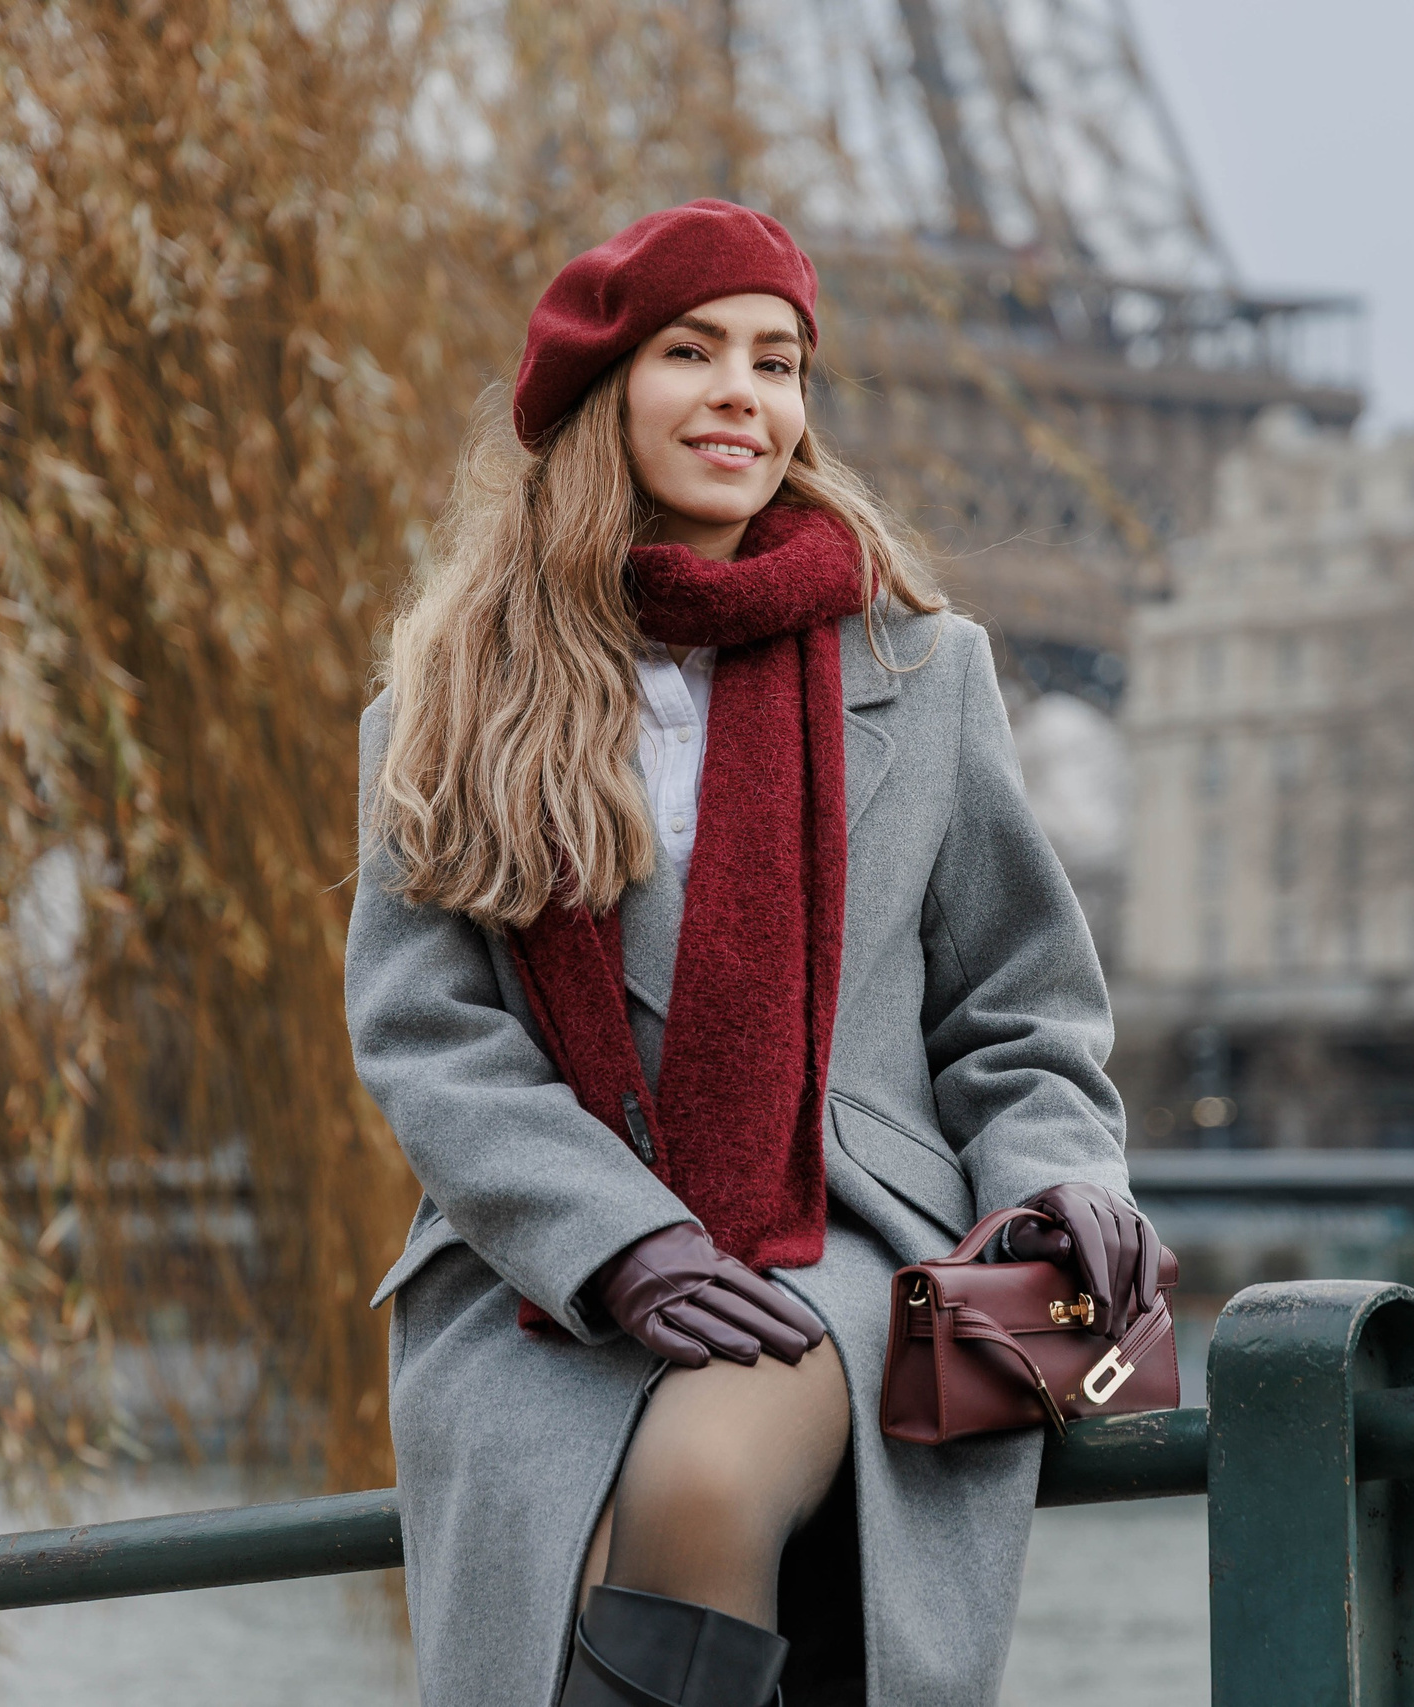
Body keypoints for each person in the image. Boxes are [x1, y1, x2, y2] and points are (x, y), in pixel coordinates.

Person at [347, 200, 1161, 1707]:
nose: (745, 393)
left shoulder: (921, 669)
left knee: (704, 1486)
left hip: (847, 1232)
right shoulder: (443, 702)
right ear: (601, 397)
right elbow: (429, 1035)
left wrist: (1066, 1190)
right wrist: (621, 1243)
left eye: (779, 363)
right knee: (596, 1536)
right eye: (693, 351)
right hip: (545, 1261)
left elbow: (1019, 1013)